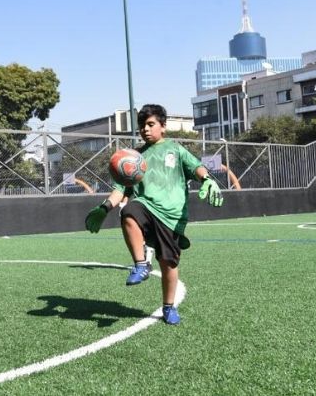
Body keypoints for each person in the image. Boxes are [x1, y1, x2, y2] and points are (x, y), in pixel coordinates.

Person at [84, 104, 223, 325]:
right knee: (129, 212)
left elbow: (197, 167)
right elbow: (121, 189)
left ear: (163, 126)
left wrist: (207, 179)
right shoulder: (133, 157)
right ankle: (141, 264)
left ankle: (168, 308)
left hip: (172, 216)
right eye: (142, 126)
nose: (145, 130)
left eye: (151, 124)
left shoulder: (175, 149)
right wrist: (105, 207)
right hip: (145, 207)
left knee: (169, 263)